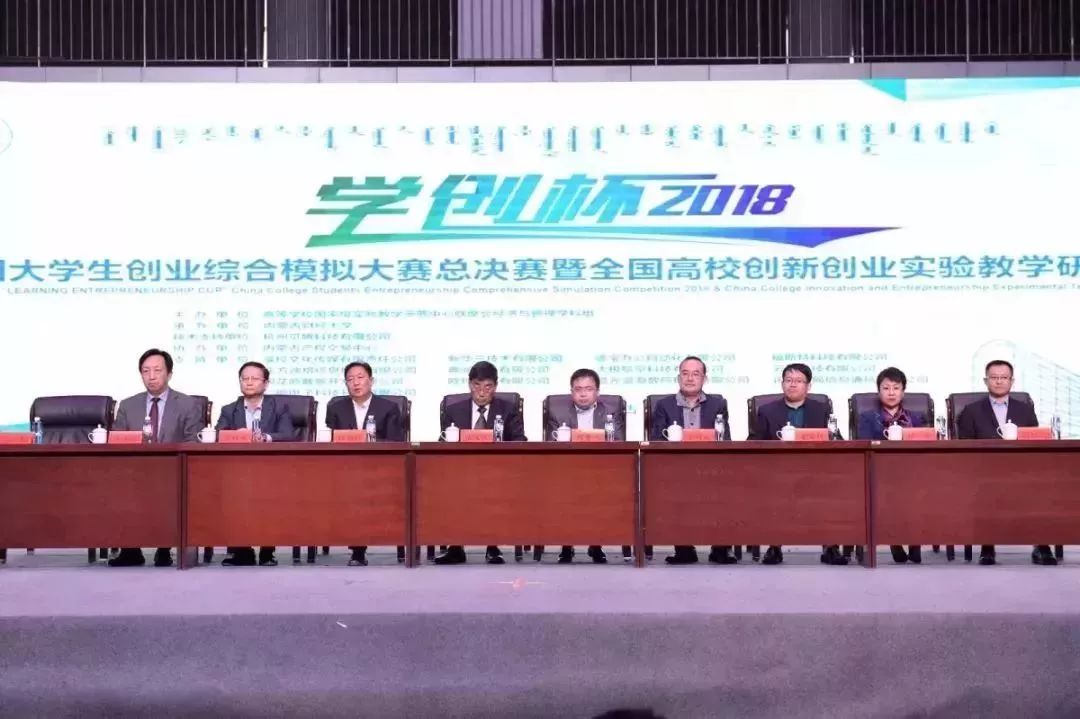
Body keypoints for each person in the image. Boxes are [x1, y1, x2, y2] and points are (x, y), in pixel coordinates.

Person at [108, 348, 203, 568]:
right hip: (134, 471)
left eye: (157, 370)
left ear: (169, 374)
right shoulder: (128, 405)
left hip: (174, 469)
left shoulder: (187, 404)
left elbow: (193, 440)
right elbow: (117, 439)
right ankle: (130, 550)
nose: (151, 376)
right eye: (146, 371)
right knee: (120, 484)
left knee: (168, 485)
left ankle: (164, 548)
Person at [956, 359, 1054, 566]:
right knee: (985, 488)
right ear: (986, 381)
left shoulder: (1025, 410)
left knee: (1042, 487)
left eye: (1004, 377)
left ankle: (1042, 545)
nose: (999, 381)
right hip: (983, 471)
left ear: (1012, 381)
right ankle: (987, 547)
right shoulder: (971, 411)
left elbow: (1034, 441)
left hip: (1021, 471)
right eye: (994, 377)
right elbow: (964, 447)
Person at [749, 362, 846, 566]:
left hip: (816, 471)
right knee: (771, 489)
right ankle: (774, 547)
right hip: (778, 471)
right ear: (782, 383)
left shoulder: (822, 409)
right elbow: (754, 442)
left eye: (799, 381)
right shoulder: (766, 411)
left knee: (834, 487)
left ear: (808, 386)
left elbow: (837, 440)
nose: (792, 385)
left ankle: (831, 546)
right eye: (788, 380)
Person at [434, 361, 527, 565]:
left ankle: (492, 547)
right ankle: (455, 548)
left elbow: (520, 441)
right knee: (452, 487)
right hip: (461, 471)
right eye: (477, 385)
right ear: (469, 384)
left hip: (498, 471)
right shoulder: (453, 410)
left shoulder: (509, 410)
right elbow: (443, 442)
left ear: (495, 386)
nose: (482, 392)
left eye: (487, 386)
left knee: (493, 487)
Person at [648, 356, 735, 566]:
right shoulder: (664, 405)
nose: (690, 378)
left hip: (711, 466)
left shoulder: (718, 404)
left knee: (728, 485)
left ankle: (720, 549)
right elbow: (657, 439)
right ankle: (684, 549)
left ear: (704, 379)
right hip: (676, 466)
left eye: (696, 374)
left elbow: (724, 438)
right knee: (674, 486)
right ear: (679, 377)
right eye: (685, 374)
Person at [214, 361, 295, 567]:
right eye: (245, 379)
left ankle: (267, 552)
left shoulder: (279, 408)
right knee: (232, 492)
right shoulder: (229, 410)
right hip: (237, 470)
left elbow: (288, 435)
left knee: (269, 492)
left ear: (265, 383)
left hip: (270, 468)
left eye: (255, 378)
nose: (249, 382)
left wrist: (265, 437)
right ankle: (242, 552)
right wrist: (237, 436)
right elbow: (218, 435)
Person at [325, 361, 406, 566]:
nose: (356, 383)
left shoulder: (389, 408)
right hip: (345, 469)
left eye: (360, 377)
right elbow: (331, 440)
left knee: (360, 488)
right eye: (350, 379)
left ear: (371, 380)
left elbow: (396, 442)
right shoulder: (336, 408)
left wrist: (367, 440)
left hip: (379, 468)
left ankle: (358, 550)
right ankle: (358, 550)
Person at [542, 368, 625, 564]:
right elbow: (551, 443)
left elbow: (619, 441)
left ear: (597, 392)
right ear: (571, 392)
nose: (583, 394)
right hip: (567, 468)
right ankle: (566, 545)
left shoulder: (611, 412)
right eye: (578, 389)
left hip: (602, 468)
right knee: (566, 489)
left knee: (599, 488)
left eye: (588, 389)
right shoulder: (557, 412)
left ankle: (596, 545)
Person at [855, 367, 929, 564]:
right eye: (886, 388)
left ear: (903, 392)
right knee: (888, 492)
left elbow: (926, 443)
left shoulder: (916, 417)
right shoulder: (868, 418)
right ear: (879, 391)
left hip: (912, 469)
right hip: (881, 470)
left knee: (917, 491)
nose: (891, 392)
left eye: (896, 388)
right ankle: (894, 542)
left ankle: (915, 542)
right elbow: (864, 444)